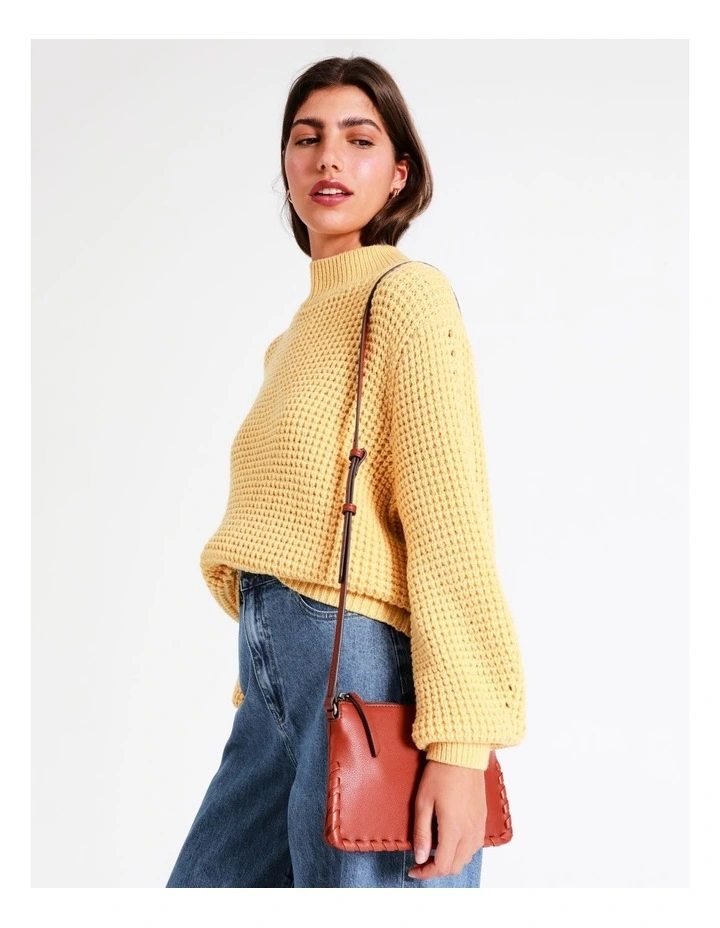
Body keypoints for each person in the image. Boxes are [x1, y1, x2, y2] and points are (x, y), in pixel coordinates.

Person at [166, 55, 526, 889]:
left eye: (359, 140)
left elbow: (449, 521)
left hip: (362, 676)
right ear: (286, 165)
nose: (328, 157)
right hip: (281, 691)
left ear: (399, 173)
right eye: (307, 138)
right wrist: (267, 680)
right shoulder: (293, 338)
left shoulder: (405, 297)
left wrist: (460, 746)